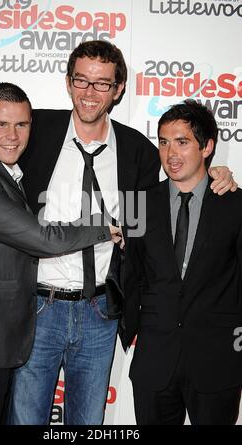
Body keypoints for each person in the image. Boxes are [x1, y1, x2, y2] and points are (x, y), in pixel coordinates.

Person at [0, 41, 236, 425]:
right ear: (68, 83)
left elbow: (162, 211)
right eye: (81, 80)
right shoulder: (35, 130)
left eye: (102, 84)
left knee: (88, 422)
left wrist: (218, 174)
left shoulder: (139, 151)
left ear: (118, 90)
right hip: (36, 310)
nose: (89, 92)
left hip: (101, 313)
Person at [0, 82, 117, 425]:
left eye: (21, 124)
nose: (12, 135)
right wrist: (104, 228)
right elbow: (41, 239)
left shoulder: (3, 174)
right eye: (0, 124)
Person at [123, 99, 242, 425]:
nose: (171, 153)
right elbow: (129, 270)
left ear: (207, 147)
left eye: (182, 142)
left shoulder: (236, 204)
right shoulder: (137, 203)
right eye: (163, 142)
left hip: (217, 360)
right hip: (154, 358)